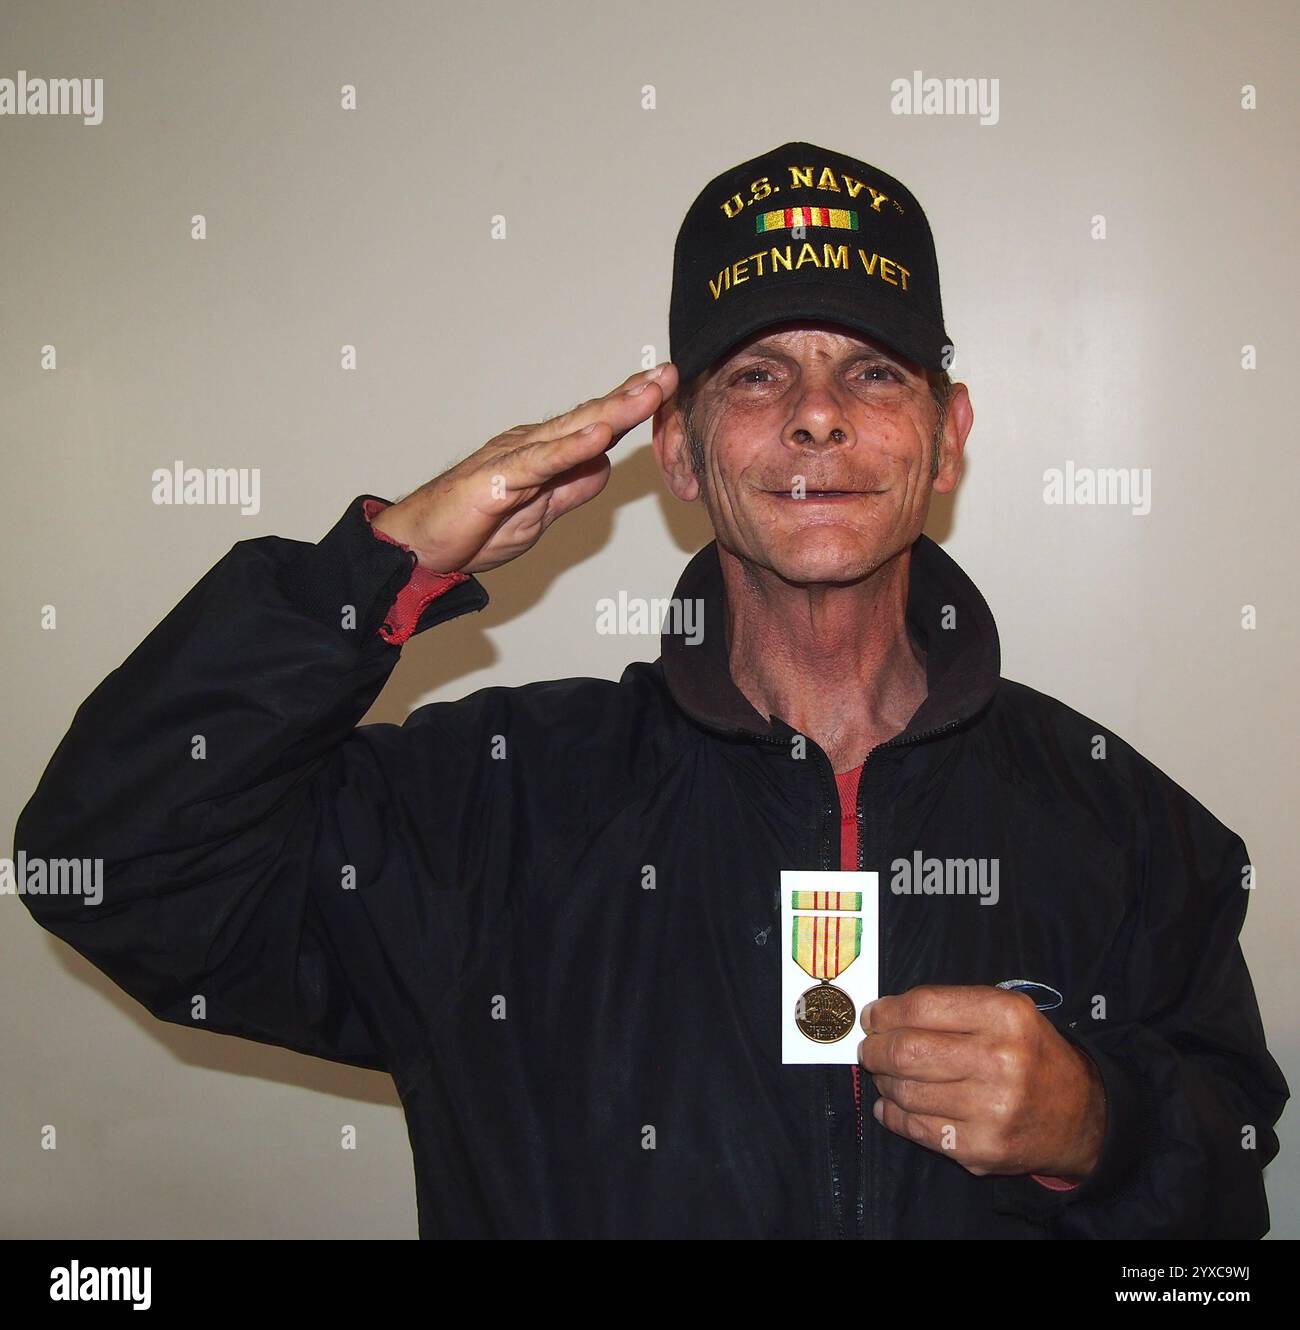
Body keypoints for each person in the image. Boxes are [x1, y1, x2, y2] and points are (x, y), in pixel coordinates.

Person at [14, 140, 1288, 1239]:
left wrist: (1100, 1127)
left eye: (872, 371)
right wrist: (381, 565)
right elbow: (112, 858)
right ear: (676, 449)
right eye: (755, 375)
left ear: (947, 434)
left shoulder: (1131, 828)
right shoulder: (486, 811)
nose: (816, 418)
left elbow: (1224, 1215)